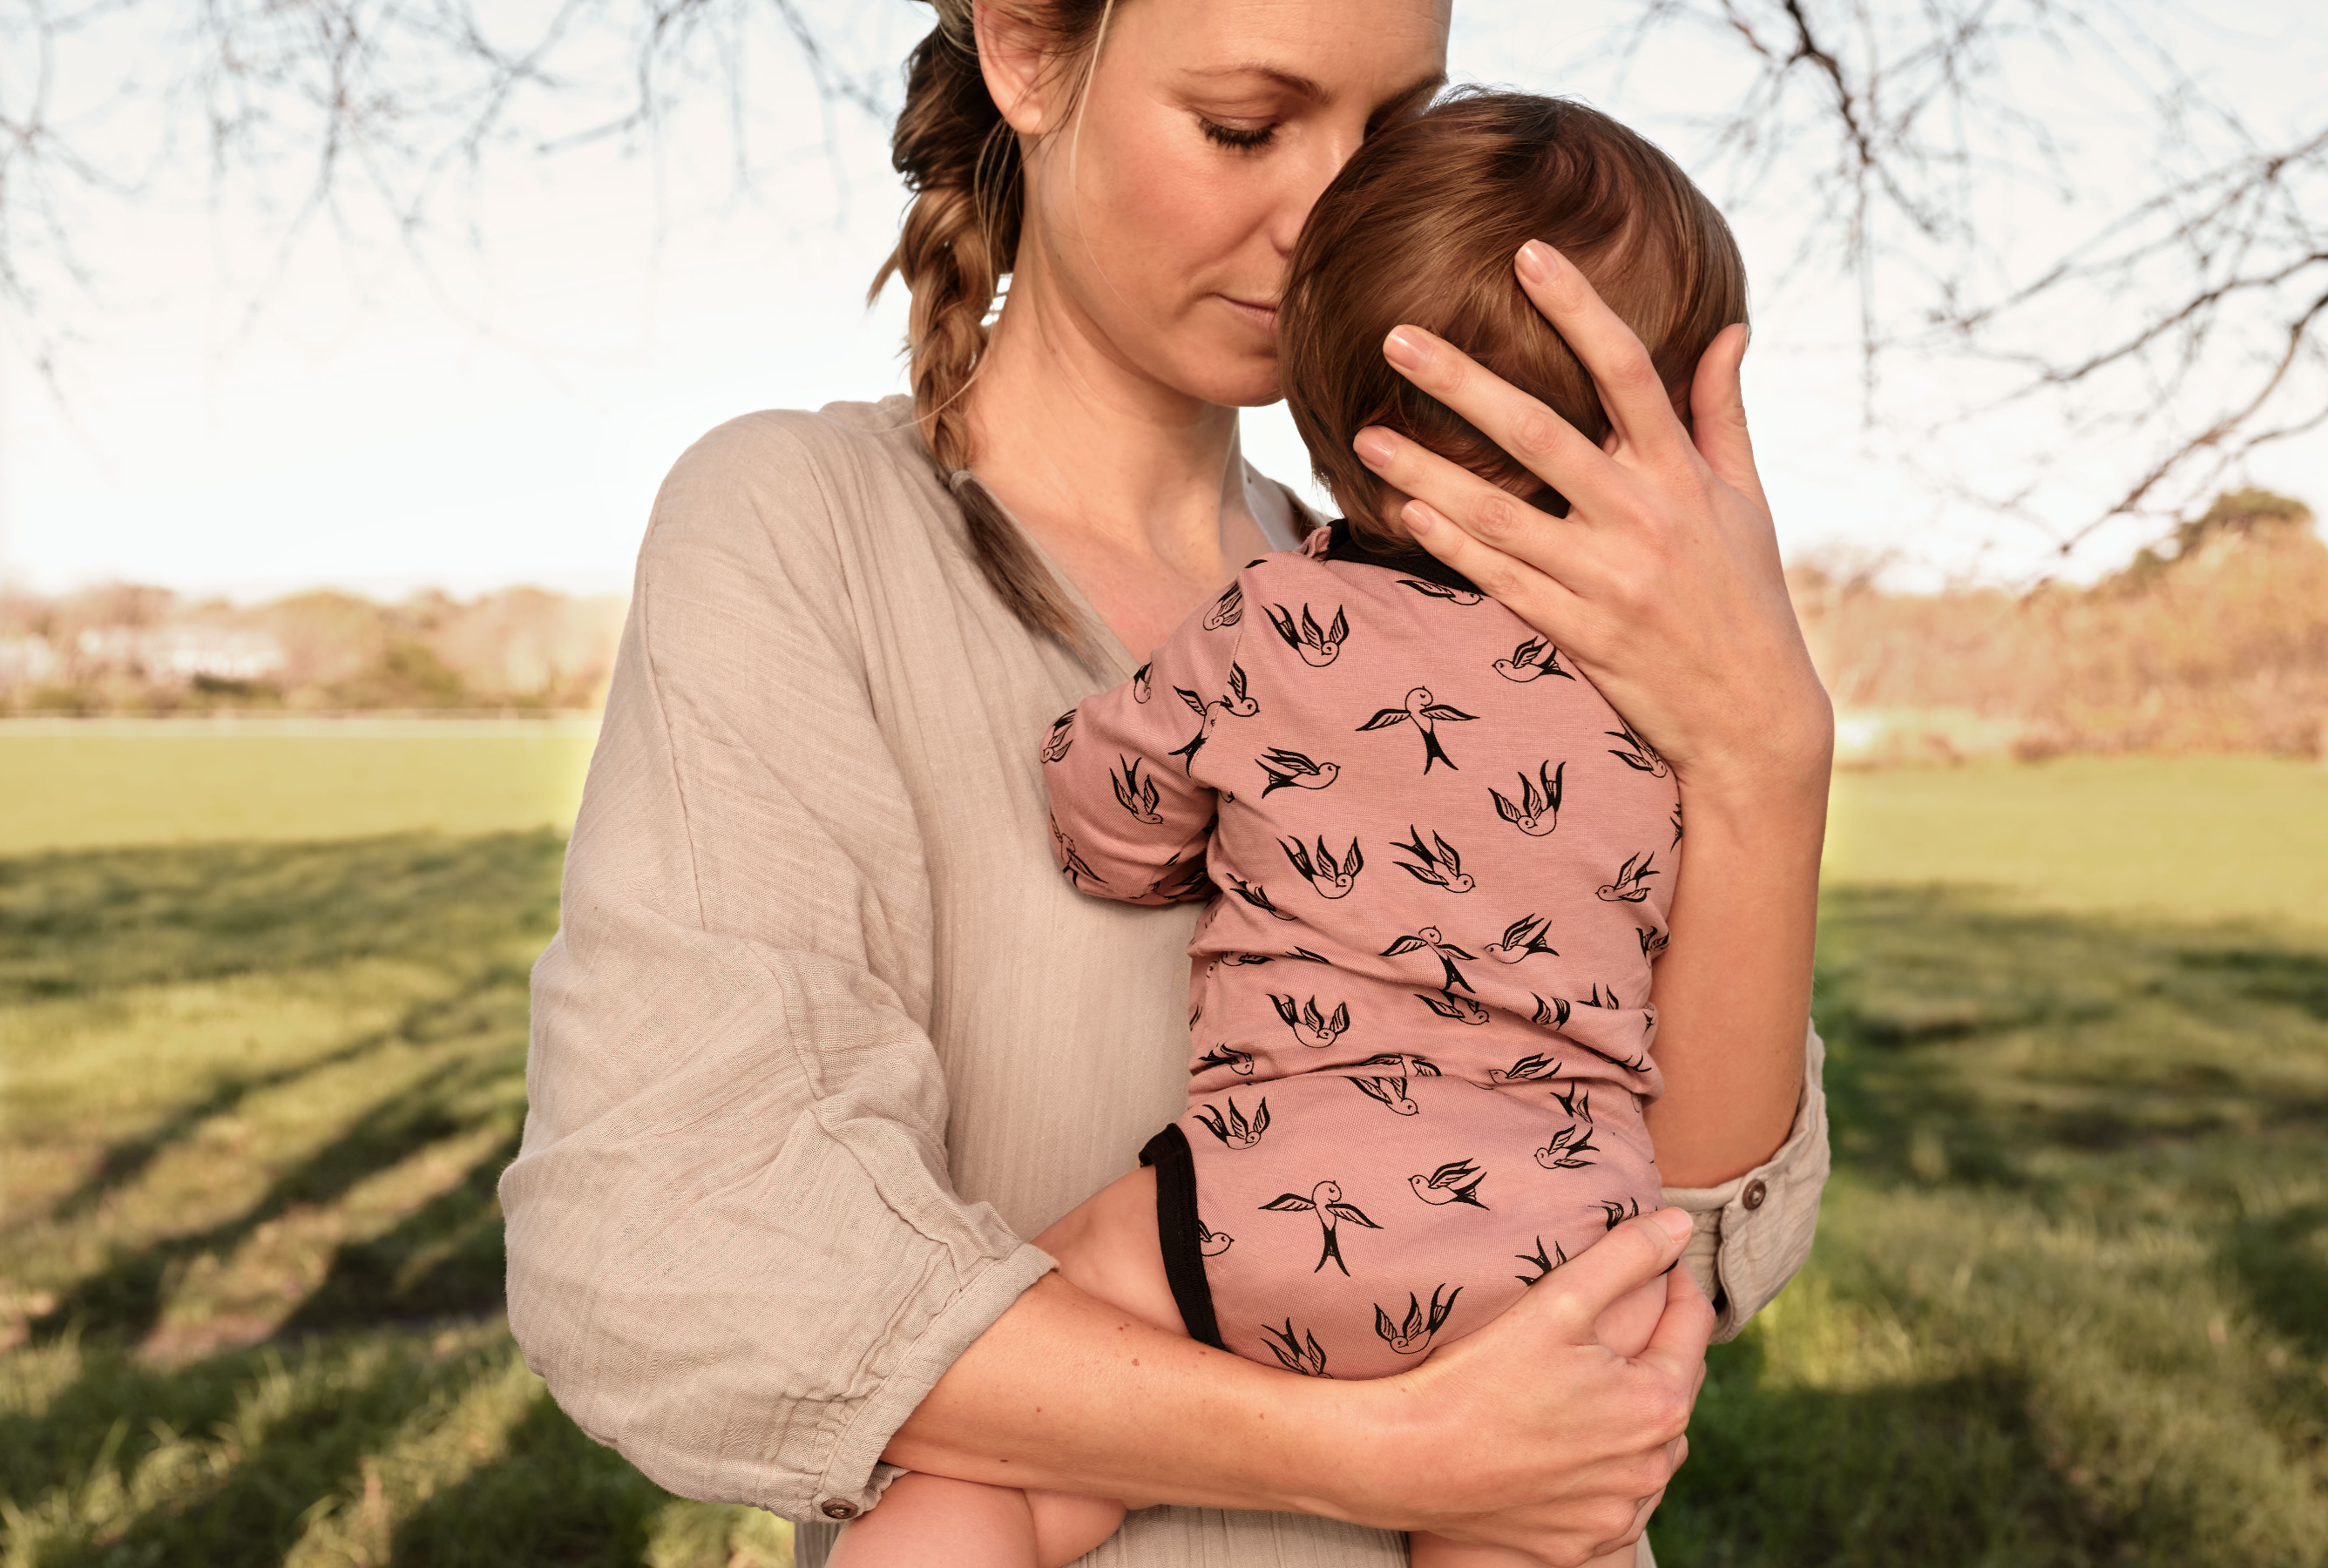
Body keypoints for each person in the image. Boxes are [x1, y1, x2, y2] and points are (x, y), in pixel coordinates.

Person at [497, 3, 1835, 1565]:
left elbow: (1699, 1236)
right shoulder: (805, 526)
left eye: (1391, 132)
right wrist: (1381, 1458)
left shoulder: (1497, 608)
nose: (1331, 209)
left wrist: (1769, 753)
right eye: (1245, 126)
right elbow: (689, 1240)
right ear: (1028, 54)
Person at [825, 91, 1750, 1568]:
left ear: (1321, 394)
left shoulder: (1277, 623)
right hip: (1566, 1252)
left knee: (990, 1440)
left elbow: (1107, 826)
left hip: (1276, 1193)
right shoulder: (1680, 700)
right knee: (1524, 1529)